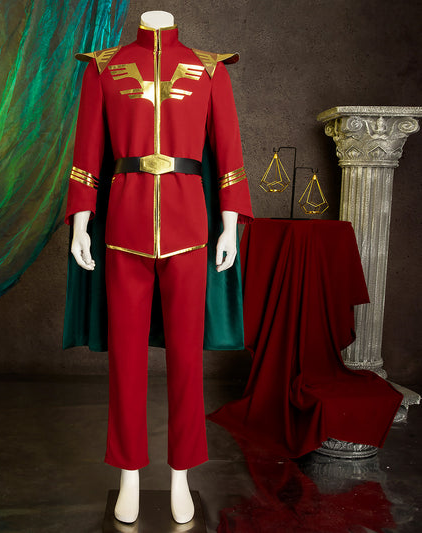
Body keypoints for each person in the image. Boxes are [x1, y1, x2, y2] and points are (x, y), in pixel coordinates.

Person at [65, 10, 253, 524]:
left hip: (189, 229)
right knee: (125, 363)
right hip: (123, 228)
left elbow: (229, 153)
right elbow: (87, 153)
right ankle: (128, 473)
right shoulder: (103, 67)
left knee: (187, 363)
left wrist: (230, 228)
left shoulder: (210, 68)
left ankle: (181, 475)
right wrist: (80, 225)